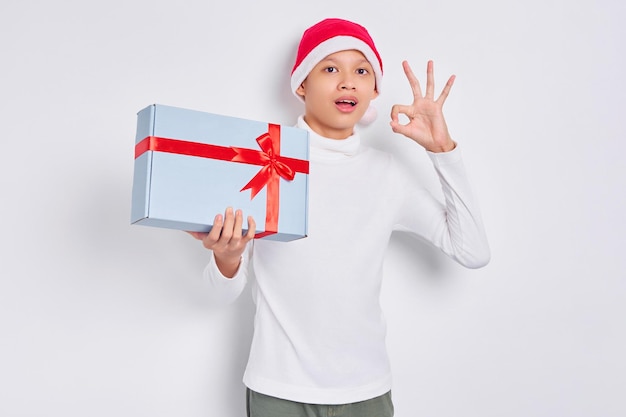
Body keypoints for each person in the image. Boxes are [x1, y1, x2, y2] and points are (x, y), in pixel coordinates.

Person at [188, 17, 490, 417]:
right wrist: (226, 259)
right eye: (330, 68)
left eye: (361, 71)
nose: (348, 82)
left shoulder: (387, 175)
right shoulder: (264, 162)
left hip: (366, 393)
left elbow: (472, 251)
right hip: (278, 392)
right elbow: (217, 295)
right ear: (301, 84)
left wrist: (442, 150)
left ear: (374, 90)